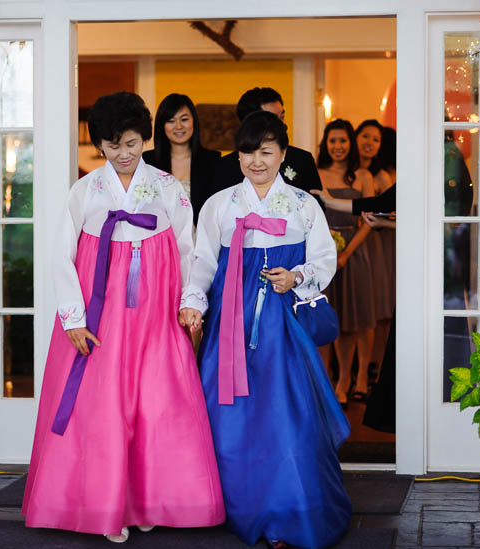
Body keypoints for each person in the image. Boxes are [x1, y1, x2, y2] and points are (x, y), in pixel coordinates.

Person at [22, 92, 224, 543]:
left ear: (144, 138)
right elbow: (62, 255)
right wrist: (74, 318)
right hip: (102, 308)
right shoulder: (86, 189)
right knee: (105, 405)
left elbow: (189, 249)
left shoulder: (169, 187)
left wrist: (191, 300)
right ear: (100, 146)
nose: (124, 153)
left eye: (132, 142)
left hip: (156, 309)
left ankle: (147, 499)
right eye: (113, 146)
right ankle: (109, 506)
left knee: (156, 404)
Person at [181, 111, 351, 548]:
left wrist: (295, 277)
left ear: (282, 155)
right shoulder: (220, 204)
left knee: (284, 417)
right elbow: (203, 263)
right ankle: (231, 506)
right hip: (229, 325)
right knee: (231, 417)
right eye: (248, 152)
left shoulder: (302, 204)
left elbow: (324, 259)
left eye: (266, 152)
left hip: (283, 327)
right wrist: (192, 304)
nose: (256, 161)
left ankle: (287, 511)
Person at [316, 119, 376, 406]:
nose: (338, 146)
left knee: (350, 322)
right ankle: (326, 379)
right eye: (333, 140)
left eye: (343, 140)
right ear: (325, 144)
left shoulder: (363, 176)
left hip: (353, 253)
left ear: (349, 144)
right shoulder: (315, 174)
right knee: (323, 319)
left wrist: (346, 253)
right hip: (320, 256)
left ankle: (345, 381)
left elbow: (369, 220)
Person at [210, 87, 322, 195]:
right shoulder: (224, 168)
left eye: (282, 117)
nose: (282, 125)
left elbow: (315, 207)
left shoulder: (302, 159)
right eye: (273, 119)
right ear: (248, 122)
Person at [355, 120, 395, 380]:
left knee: (380, 305)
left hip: (379, 242)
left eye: (376, 139)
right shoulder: (351, 173)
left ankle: (376, 366)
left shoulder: (382, 175)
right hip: (353, 241)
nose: (369, 143)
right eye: (365, 136)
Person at [143, 93, 221, 225]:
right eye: (171, 121)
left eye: (184, 119)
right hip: (160, 237)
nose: (178, 126)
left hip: (200, 237)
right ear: (162, 126)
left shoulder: (212, 161)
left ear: (193, 122)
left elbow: (217, 209)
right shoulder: (148, 161)